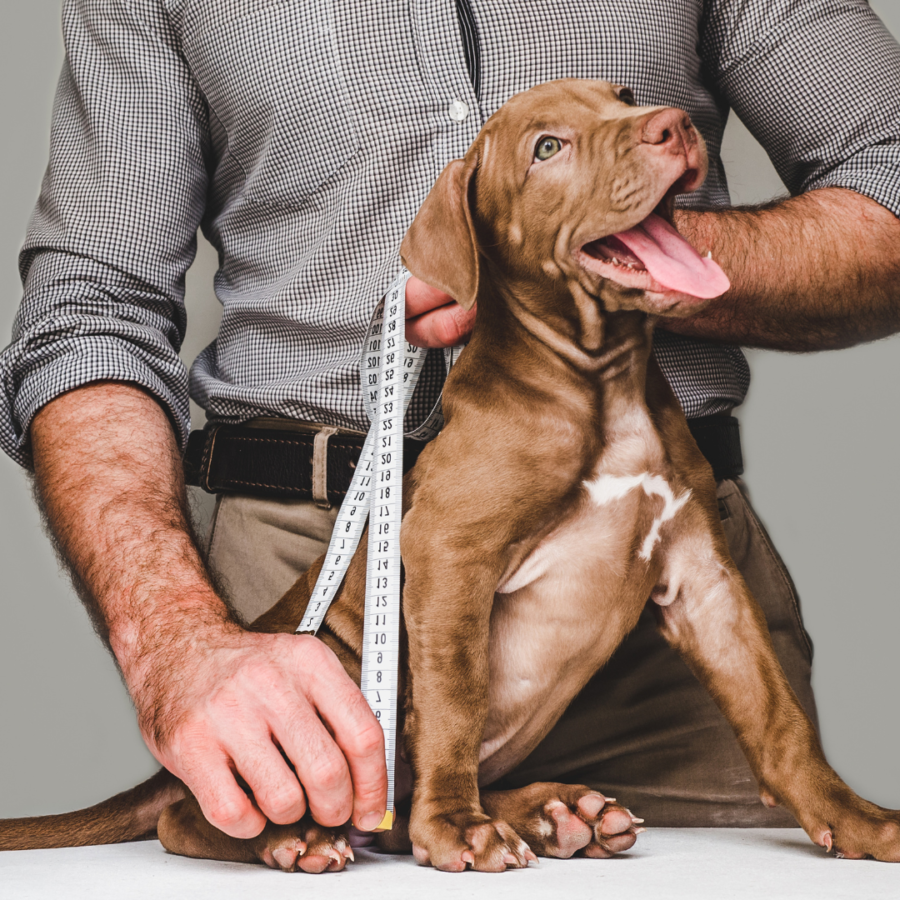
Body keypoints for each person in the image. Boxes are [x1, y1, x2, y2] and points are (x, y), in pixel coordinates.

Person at [2, 0, 899, 845]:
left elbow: (890, 168)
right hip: (319, 600)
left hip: (657, 594)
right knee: (284, 837)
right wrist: (175, 642)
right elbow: (92, 311)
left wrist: (599, 256)